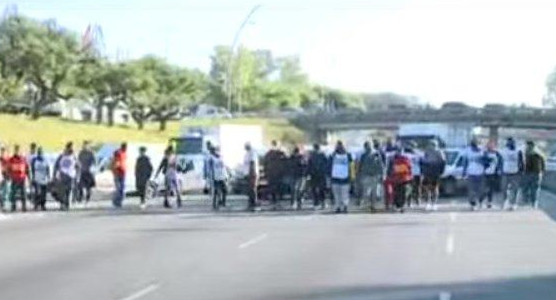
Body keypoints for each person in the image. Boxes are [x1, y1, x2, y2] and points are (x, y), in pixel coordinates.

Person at [356, 141, 384, 211]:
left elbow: (380, 164)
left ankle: (373, 206)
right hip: (366, 175)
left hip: (374, 175)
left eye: (369, 145)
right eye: (366, 146)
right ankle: (367, 205)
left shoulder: (376, 154)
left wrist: (382, 174)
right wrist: (359, 174)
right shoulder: (363, 155)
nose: (367, 147)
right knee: (366, 192)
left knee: (374, 192)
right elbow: (360, 165)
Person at [421, 140, 446, 211]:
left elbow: (443, 162)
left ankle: (434, 203)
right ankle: (428, 203)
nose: (431, 146)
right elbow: (423, 161)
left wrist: (441, 171)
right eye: (430, 144)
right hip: (428, 171)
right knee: (426, 188)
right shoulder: (426, 152)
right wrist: (423, 170)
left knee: (434, 188)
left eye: (433, 145)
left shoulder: (439, 152)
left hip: (435, 171)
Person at [463, 138, 487, 211]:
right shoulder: (468, 150)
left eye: (476, 143)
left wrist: (483, 163)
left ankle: (480, 202)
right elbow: (465, 161)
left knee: (481, 190)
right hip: (471, 173)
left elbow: (486, 161)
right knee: (471, 190)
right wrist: (464, 172)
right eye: (473, 143)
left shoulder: (482, 150)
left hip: (480, 173)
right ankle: (472, 204)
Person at [500, 137, 524, 210]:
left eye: (512, 142)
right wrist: (500, 170)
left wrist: (521, 171)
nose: (510, 144)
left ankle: (513, 203)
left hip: (515, 173)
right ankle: (505, 201)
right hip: (505, 172)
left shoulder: (518, 151)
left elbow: (521, 162)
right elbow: (500, 161)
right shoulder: (504, 151)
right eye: (509, 142)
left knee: (515, 189)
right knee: (504, 188)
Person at [387, 147, 413, 213]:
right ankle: (398, 206)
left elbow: (409, 168)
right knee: (398, 192)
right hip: (398, 178)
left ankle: (401, 206)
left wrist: (410, 175)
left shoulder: (405, 159)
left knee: (402, 192)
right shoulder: (394, 159)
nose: (400, 152)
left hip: (402, 178)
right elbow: (390, 168)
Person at [54, 142, 79, 211]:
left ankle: (67, 204)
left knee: (69, 190)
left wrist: (77, 176)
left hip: (71, 176)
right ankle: (62, 204)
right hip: (63, 175)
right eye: (70, 147)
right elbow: (56, 165)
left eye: (72, 148)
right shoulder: (62, 156)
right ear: (67, 148)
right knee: (62, 191)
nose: (72, 149)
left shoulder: (74, 156)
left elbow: (78, 166)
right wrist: (55, 174)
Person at [330, 141, 353, 213]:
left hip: (336, 177)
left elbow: (328, 166)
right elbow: (351, 166)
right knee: (344, 193)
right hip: (343, 178)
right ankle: (343, 206)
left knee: (338, 194)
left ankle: (339, 207)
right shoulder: (348, 155)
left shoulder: (333, 155)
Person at [522, 141, 545, 209]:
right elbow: (543, 164)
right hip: (537, 173)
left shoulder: (528, 153)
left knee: (528, 188)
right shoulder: (539, 154)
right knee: (534, 189)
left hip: (530, 173)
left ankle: (528, 201)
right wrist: (542, 171)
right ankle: (533, 202)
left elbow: (526, 164)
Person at [263, 140, 286, 209]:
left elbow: (265, 164)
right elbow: (285, 161)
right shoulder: (280, 153)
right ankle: (277, 199)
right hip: (277, 173)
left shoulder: (268, 154)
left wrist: (265, 172)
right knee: (277, 186)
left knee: (273, 186)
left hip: (272, 173)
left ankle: (274, 199)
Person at [481, 140, 503, 209]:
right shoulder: (485, 153)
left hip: (493, 173)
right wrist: (488, 161)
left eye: (492, 145)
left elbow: (500, 162)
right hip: (486, 173)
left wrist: (499, 170)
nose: (491, 147)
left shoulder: (497, 154)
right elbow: (483, 162)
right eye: (489, 145)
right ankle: (480, 200)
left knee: (491, 189)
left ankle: (489, 202)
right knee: (486, 189)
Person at [8, 145, 29, 212]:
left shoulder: (23, 159)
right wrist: (9, 176)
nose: (17, 151)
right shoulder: (11, 159)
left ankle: (24, 206)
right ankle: (13, 206)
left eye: (18, 150)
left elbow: (27, 168)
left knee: (23, 194)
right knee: (13, 193)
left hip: (22, 178)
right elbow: (8, 168)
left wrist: (28, 176)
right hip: (14, 178)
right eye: (16, 150)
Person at [307, 144, 328, 209]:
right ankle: (323, 203)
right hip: (321, 174)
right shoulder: (322, 155)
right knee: (322, 189)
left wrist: (308, 174)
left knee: (314, 189)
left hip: (313, 175)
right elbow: (326, 164)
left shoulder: (311, 156)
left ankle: (316, 203)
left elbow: (309, 166)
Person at [404, 142, 423, 208]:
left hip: (416, 172)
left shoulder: (418, 153)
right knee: (410, 188)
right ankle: (409, 202)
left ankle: (417, 200)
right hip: (410, 173)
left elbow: (422, 162)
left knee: (416, 187)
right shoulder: (405, 154)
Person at [30, 147, 50, 211]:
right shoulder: (34, 160)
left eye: (41, 152)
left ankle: (43, 205)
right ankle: (36, 205)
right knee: (37, 193)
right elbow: (32, 169)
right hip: (37, 179)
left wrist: (48, 176)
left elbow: (47, 168)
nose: (40, 154)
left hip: (44, 179)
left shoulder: (45, 160)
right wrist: (32, 177)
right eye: (39, 152)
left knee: (44, 194)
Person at [288, 146, 307, 210]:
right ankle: (298, 203)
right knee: (299, 190)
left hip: (294, 175)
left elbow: (288, 166)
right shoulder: (302, 157)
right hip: (300, 176)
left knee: (294, 190)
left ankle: (294, 203)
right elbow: (305, 166)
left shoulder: (291, 158)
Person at [383, 138, 399, 210]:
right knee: (388, 191)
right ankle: (388, 204)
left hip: (395, 174)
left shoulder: (397, 152)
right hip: (388, 174)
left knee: (393, 190)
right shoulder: (384, 152)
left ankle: (392, 204)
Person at [244, 142, 260, 211]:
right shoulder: (247, 153)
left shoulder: (252, 153)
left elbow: (252, 163)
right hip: (248, 173)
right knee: (250, 189)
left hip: (252, 173)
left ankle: (254, 202)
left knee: (253, 188)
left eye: (246, 146)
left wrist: (251, 173)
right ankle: (250, 202)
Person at [111, 143, 127, 208]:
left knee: (122, 188)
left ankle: (119, 202)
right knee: (118, 188)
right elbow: (116, 162)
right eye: (125, 148)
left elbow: (123, 162)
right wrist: (115, 169)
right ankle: (115, 201)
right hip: (117, 173)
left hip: (123, 173)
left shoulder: (125, 153)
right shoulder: (118, 153)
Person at [0, 146, 10, 211]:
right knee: (1, 192)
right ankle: (2, 205)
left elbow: (8, 168)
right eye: (2, 150)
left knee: (5, 192)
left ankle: (3, 205)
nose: (3, 151)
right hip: (1, 176)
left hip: (5, 177)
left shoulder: (7, 159)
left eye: (4, 150)